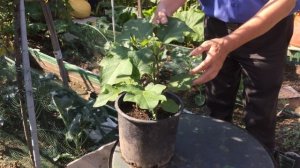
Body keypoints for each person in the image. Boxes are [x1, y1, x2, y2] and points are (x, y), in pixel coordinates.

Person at [153, 0, 299, 158]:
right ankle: (217, 156)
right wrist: (165, 7)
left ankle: (260, 158)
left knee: (261, 111)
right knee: (216, 102)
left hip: (268, 28)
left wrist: (228, 44)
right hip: (217, 27)